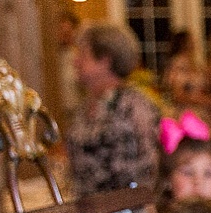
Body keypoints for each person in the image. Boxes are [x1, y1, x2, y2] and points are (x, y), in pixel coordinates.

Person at [67, 22, 162, 197]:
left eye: (83, 55)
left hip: (124, 207)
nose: (75, 61)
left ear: (105, 60)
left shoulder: (133, 106)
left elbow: (147, 169)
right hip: (88, 207)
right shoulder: (85, 106)